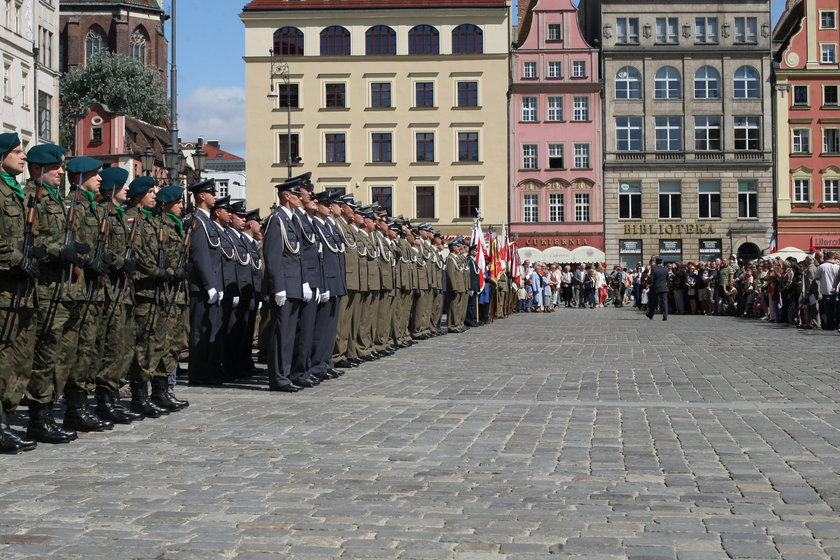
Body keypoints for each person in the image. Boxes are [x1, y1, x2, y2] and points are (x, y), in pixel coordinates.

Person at [0, 133, 39, 453]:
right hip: (4, 286)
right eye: (16, 152)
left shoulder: (16, 193)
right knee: (4, 357)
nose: (23, 157)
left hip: (20, 289)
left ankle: (7, 421)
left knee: (19, 357)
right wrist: (18, 260)